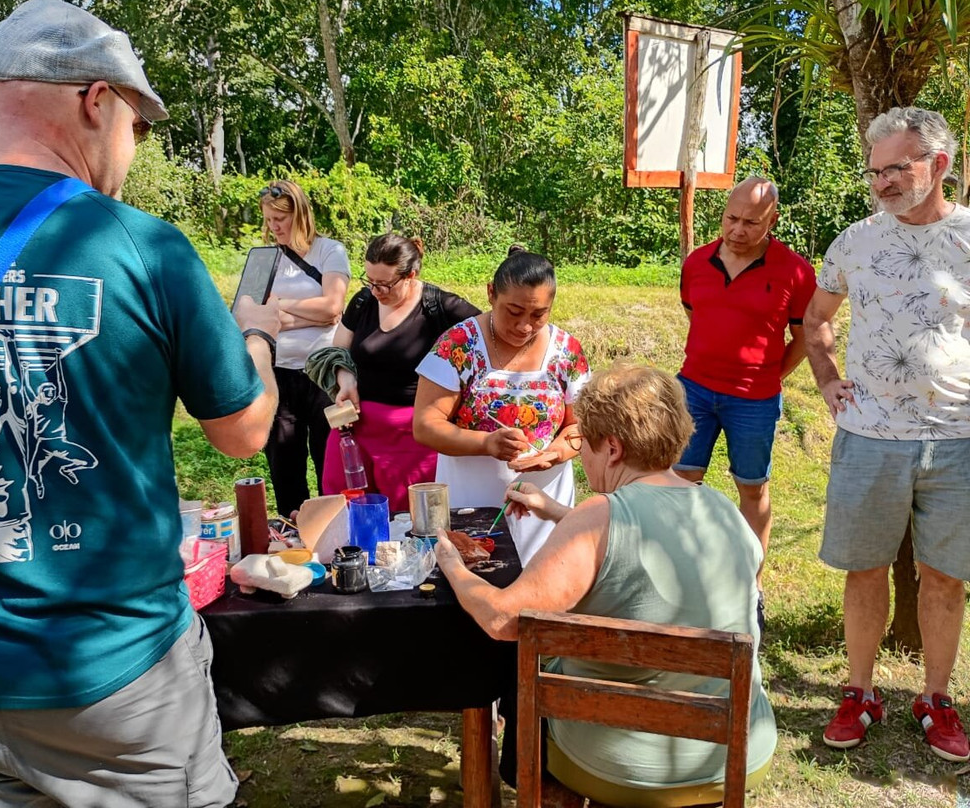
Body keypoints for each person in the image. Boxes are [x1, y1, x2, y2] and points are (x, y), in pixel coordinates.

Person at [0, 2, 279, 805]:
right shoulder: (144, 245)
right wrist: (261, 347)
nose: (131, 149)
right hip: (117, 675)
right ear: (95, 101)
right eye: (135, 123)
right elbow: (243, 434)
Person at [434, 364, 776, 807]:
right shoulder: (725, 510)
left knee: (527, 674)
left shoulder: (600, 517)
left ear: (612, 448)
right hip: (735, 750)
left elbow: (502, 618)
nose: (582, 459)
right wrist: (559, 513)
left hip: (624, 764)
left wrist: (452, 565)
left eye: (584, 446)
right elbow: (648, 548)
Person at [804, 106, 970, 762]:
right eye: (875, 172)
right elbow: (816, 319)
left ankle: (935, 697)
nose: (882, 183)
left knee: (947, 577)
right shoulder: (854, 241)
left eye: (897, 168)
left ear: (940, 165)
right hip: (870, 435)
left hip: (959, 439)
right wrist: (825, 380)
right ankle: (860, 691)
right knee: (864, 569)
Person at [675, 176, 816, 604]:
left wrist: (771, 374)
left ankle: (750, 583)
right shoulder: (696, 262)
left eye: (751, 223)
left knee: (752, 486)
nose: (738, 230)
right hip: (694, 390)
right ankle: (682, 575)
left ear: (771, 221)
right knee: (680, 483)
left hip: (754, 399)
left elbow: (806, 337)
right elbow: (694, 313)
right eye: (731, 219)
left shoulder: (795, 270)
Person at [413, 246, 589, 565]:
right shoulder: (459, 345)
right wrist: (486, 443)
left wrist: (555, 453)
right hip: (473, 503)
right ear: (491, 294)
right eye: (514, 311)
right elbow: (425, 425)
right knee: (478, 580)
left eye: (538, 315)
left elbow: (582, 426)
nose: (524, 326)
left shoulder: (566, 351)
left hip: (547, 505)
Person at [315, 233, 479, 512]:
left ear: (410, 275)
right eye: (371, 282)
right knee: (347, 510)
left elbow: (488, 337)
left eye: (385, 285)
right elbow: (336, 352)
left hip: (413, 438)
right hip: (356, 431)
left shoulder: (440, 306)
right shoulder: (364, 301)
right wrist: (346, 379)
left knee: (412, 518)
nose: (377, 291)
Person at [259, 179, 351, 518]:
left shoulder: (330, 251)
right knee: (285, 466)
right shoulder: (264, 259)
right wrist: (306, 313)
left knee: (332, 462)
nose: (274, 227)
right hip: (278, 374)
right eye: (269, 220)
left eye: (280, 219)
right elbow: (252, 313)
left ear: (300, 215)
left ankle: (336, 537)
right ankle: (293, 540)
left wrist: (281, 305)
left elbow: (332, 307)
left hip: (324, 375)